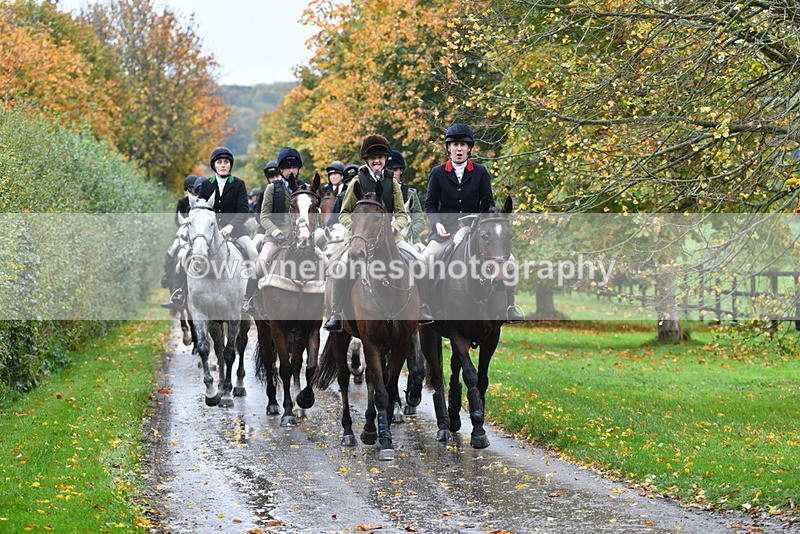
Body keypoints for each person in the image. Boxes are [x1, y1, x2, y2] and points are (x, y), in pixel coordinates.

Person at [324, 134, 433, 331]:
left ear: (385, 160)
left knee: (420, 261)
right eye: (373, 158)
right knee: (340, 267)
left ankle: (423, 307)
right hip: (360, 238)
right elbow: (344, 214)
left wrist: (392, 228)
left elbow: (401, 214)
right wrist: (358, 228)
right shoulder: (356, 181)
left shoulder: (392, 183)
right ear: (367, 160)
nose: (377, 161)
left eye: (380, 157)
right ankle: (336, 313)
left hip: (391, 239)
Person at [423, 123, 524, 323]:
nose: (459, 149)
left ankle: (510, 307)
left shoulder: (480, 172)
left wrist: (492, 218)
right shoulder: (438, 172)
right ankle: (424, 306)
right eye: (454, 145)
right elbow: (430, 204)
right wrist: (436, 224)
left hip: (476, 230)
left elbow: (488, 202)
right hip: (446, 231)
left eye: (462, 145)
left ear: (469, 148)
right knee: (424, 260)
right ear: (448, 148)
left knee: (511, 262)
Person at [163, 147, 257, 311]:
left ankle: (250, 298)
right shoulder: (206, 184)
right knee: (186, 255)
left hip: (236, 232)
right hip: (209, 234)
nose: (223, 165)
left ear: (230, 165)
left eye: (226, 162)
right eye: (219, 162)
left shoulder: (238, 184)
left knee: (254, 255)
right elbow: (199, 210)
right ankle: (180, 292)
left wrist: (230, 226)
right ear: (214, 165)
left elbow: (243, 210)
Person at [161, 174, 200, 309]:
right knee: (172, 251)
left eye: (195, 188)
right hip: (184, 235)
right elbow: (177, 219)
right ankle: (168, 279)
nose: (193, 190)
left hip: (199, 235)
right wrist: (184, 228)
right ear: (188, 189)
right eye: (191, 188)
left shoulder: (204, 201)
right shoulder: (182, 202)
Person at [387, 150, 426, 247]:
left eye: (395, 170)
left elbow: (420, 222)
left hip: (409, 238)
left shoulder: (410, 193)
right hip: (386, 239)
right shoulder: (378, 193)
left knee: (423, 259)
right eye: (389, 170)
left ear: (401, 170)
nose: (392, 173)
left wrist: (407, 234)